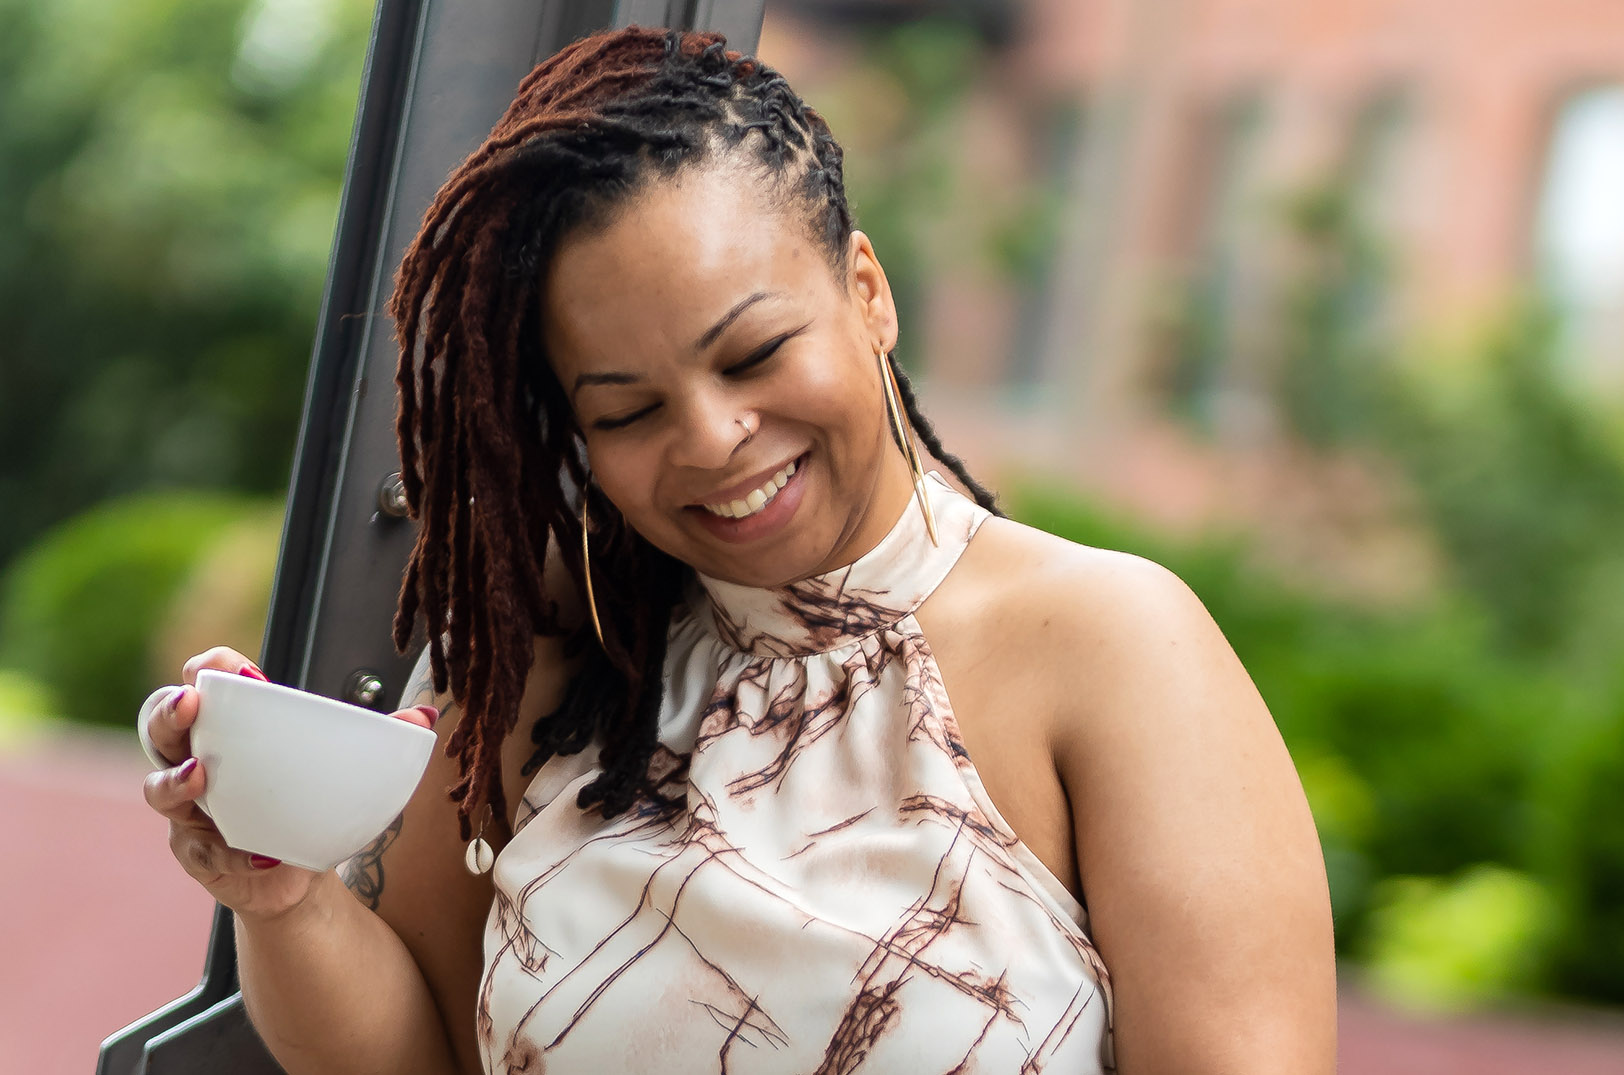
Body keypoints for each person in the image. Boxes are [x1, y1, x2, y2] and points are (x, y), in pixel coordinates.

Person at [139, 25, 1336, 1075]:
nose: (712, 439)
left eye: (753, 353)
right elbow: (417, 1059)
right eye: (627, 411)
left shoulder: (1113, 643)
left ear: (866, 291)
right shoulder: (542, 658)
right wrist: (279, 888)